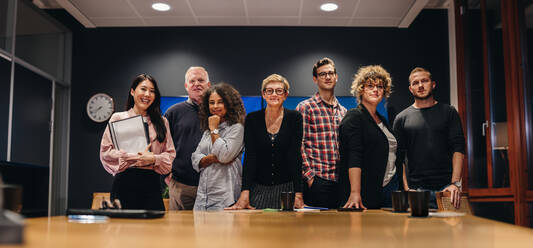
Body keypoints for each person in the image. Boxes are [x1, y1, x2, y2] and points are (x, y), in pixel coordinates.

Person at [227, 74, 304, 210]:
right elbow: (251, 157)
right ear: (263, 94)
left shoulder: (295, 118)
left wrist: (298, 193)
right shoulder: (252, 119)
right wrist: (245, 192)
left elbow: (295, 156)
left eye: (279, 90)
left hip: (287, 189)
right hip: (259, 189)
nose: (274, 94)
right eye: (269, 90)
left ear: (285, 95)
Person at [393, 67, 465, 209]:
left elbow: (458, 148)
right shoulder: (402, 118)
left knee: (451, 231)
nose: (420, 85)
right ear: (410, 89)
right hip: (417, 191)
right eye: (415, 83)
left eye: (424, 81)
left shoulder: (449, 112)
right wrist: (407, 190)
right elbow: (398, 158)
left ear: (433, 84)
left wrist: (455, 184)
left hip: (447, 190)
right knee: (419, 231)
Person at [100, 74, 176, 210]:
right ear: (132, 91)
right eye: (143, 89)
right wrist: (131, 157)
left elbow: (170, 156)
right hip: (124, 184)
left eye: (152, 91)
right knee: (123, 229)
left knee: (154, 229)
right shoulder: (118, 118)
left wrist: (153, 158)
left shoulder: (162, 122)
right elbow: (105, 153)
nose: (147, 94)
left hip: (151, 185)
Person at [338, 65, 402, 209]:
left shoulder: (382, 120)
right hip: (366, 191)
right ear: (361, 89)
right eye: (370, 85)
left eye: (380, 86)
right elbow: (354, 156)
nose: (375, 89)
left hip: (390, 187)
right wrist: (355, 192)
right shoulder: (354, 116)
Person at [296, 57, 347, 209]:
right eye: (322, 74)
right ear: (315, 79)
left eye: (331, 73)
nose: (327, 77)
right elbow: (298, 145)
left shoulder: (343, 111)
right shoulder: (306, 107)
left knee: (340, 229)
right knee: (316, 230)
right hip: (317, 180)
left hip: (340, 181)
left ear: (336, 77)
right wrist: (310, 177)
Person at [192, 83, 245, 211]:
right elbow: (194, 159)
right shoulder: (207, 131)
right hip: (202, 198)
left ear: (229, 103)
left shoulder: (236, 128)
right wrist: (211, 159)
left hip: (225, 198)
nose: (215, 106)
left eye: (220, 102)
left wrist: (214, 129)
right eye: (211, 102)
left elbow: (224, 156)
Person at [165, 66, 211, 210]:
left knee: (214, 232)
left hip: (214, 187)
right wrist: (167, 175)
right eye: (192, 81)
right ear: (186, 86)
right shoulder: (173, 113)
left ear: (209, 85)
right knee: (180, 232)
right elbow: (162, 146)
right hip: (182, 186)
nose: (196, 84)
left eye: (201, 80)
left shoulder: (218, 111)